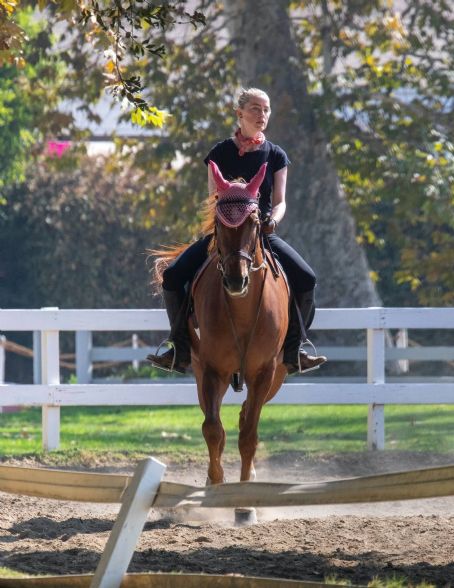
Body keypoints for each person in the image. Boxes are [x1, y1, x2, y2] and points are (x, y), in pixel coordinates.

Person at [148, 87, 327, 375]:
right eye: (256, 108)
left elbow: (280, 203)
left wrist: (273, 220)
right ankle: (179, 349)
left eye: (266, 109)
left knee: (307, 278)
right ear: (239, 113)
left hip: (261, 233)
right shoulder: (219, 153)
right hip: (225, 234)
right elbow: (213, 200)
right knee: (172, 277)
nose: (262, 115)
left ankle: (295, 348)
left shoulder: (277, 155)